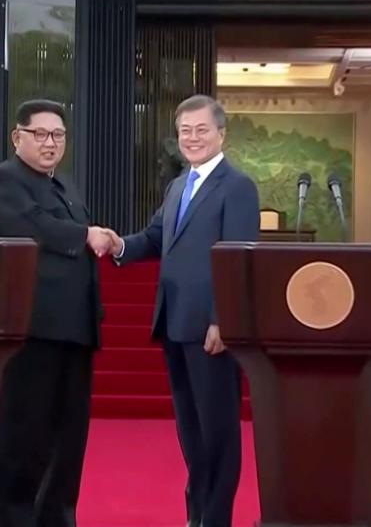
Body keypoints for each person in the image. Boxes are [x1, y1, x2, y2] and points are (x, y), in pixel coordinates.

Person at [103, 94, 260, 527]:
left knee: (218, 432)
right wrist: (118, 245)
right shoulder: (178, 186)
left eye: (201, 130)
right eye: (185, 131)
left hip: (210, 329)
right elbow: (154, 238)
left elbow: (238, 256)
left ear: (221, 133)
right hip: (173, 322)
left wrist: (223, 317)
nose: (192, 138)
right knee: (191, 432)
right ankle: (197, 514)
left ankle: (215, 519)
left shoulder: (238, 187)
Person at [0, 99, 113, 527]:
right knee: (25, 435)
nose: (50, 143)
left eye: (58, 135)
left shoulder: (65, 185)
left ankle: (56, 518)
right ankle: (13, 519)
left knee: (68, 437)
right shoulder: (4, 180)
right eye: (40, 134)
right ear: (17, 137)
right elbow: (31, 226)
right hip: (31, 329)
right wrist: (85, 233)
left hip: (74, 330)